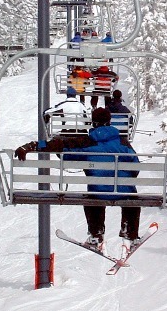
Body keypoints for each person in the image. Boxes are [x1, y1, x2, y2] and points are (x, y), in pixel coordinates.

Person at [15, 107, 141, 250]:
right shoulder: (123, 143)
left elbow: (62, 148)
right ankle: (130, 235)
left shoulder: (86, 142)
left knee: (94, 195)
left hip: (98, 193)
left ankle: (96, 235)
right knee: (132, 198)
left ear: (93, 122)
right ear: (109, 121)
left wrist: (31, 146)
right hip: (124, 192)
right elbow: (135, 167)